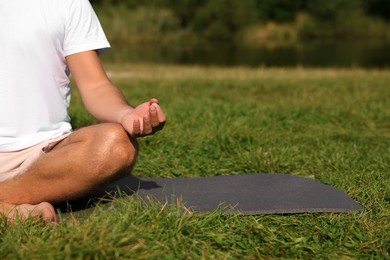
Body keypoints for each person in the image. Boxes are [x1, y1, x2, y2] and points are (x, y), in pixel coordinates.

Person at [0, 0, 165, 223]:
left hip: (42, 157)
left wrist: (126, 114)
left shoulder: (69, 3)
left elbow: (95, 86)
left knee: (117, 146)